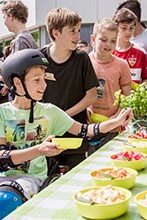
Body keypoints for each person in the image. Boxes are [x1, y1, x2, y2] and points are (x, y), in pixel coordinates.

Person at [0, 49, 132, 219]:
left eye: (44, 79)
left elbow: (85, 132)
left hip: (30, 178)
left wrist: (115, 122)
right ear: (18, 83)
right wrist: (40, 149)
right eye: (37, 80)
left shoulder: (49, 112)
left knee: (2, 202)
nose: (44, 85)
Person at [40, 8, 99, 168]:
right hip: (46, 137)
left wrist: (63, 117)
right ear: (55, 32)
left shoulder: (82, 58)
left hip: (75, 137)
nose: (78, 36)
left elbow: (92, 95)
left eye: (79, 30)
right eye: (72, 31)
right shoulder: (39, 58)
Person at [116, 0, 147, 128]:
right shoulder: (115, 43)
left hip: (141, 101)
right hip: (118, 102)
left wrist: (136, 91)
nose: (127, 31)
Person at [88, 18, 131, 152]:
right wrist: (86, 111)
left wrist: (118, 116)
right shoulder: (85, 63)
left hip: (114, 126)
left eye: (113, 40)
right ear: (93, 40)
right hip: (90, 126)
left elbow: (127, 96)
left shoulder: (122, 65)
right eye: (104, 39)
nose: (109, 44)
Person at [0, 0, 38, 69]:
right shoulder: (27, 38)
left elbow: (17, 72)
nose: (4, 22)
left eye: (4, 17)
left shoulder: (21, 40)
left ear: (10, 16)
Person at [113, 8, 147, 85]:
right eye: (124, 28)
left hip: (133, 96)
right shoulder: (110, 52)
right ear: (116, 28)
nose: (128, 32)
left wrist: (142, 89)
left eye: (131, 28)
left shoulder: (141, 52)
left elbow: (145, 79)